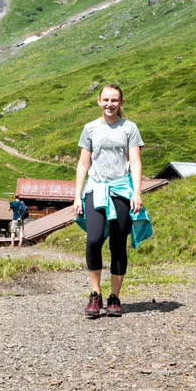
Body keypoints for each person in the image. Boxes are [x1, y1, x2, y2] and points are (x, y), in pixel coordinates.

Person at [73, 83, 144, 318]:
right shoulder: (90, 128)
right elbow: (84, 163)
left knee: (117, 242)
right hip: (96, 187)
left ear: (121, 103)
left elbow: (134, 162)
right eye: (106, 100)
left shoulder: (130, 128)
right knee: (93, 239)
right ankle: (95, 294)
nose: (109, 104)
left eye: (114, 100)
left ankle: (114, 296)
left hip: (121, 188)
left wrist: (137, 192)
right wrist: (76, 196)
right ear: (98, 101)